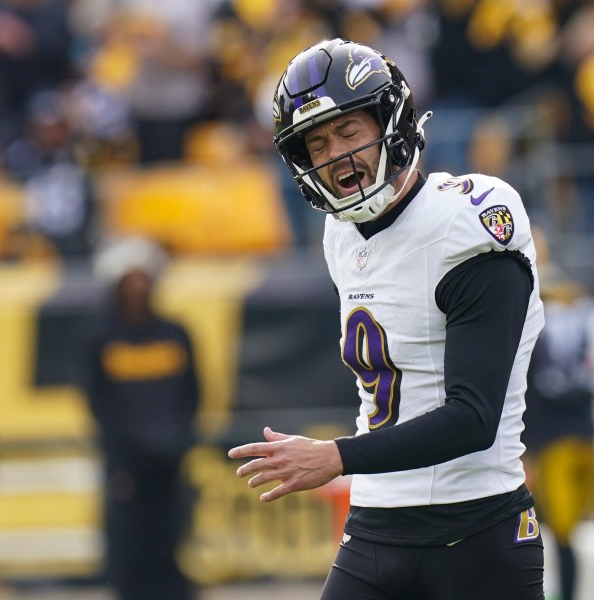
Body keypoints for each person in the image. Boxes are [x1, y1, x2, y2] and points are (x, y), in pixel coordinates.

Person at [228, 38, 546, 599]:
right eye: (317, 144)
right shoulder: (338, 234)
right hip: (375, 526)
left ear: (390, 122)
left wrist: (336, 456)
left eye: (349, 131)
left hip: (477, 530)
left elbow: (474, 417)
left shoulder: (467, 219)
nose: (335, 155)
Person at [79, 236, 199, 600]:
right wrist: (121, 457)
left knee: (172, 547)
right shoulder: (99, 338)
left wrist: (178, 441)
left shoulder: (175, 333)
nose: (139, 287)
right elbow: (98, 405)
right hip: (125, 468)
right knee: (129, 554)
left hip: (171, 463)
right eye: (131, 279)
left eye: (144, 278)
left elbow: (192, 393)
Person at [522, 232, 594, 600]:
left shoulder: (527, 299)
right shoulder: (577, 298)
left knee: (560, 534)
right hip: (583, 429)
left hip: (553, 438)